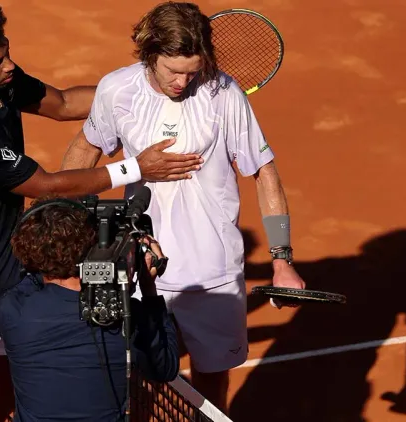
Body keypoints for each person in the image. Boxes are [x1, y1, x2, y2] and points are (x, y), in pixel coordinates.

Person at [0, 1, 202, 421]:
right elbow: (46, 185)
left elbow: (64, 103)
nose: (9, 66)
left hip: (8, 270)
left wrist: (139, 85)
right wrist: (136, 167)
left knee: (12, 396)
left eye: (7, 53)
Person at [60, 1, 306, 414]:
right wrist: (61, 222)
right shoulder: (117, 89)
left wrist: (282, 259)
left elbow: (264, 173)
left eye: (192, 71)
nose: (182, 82)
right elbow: (86, 147)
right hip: (140, 266)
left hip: (214, 271)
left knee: (213, 378)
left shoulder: (223, 93)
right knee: (134, 376)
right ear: (149, 53)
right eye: (173, 71)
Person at [0, 197, 179, 421]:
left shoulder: (11, 312)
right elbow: (165, 368)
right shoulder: (127, 314)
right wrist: (148, 288)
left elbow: (29, 277)